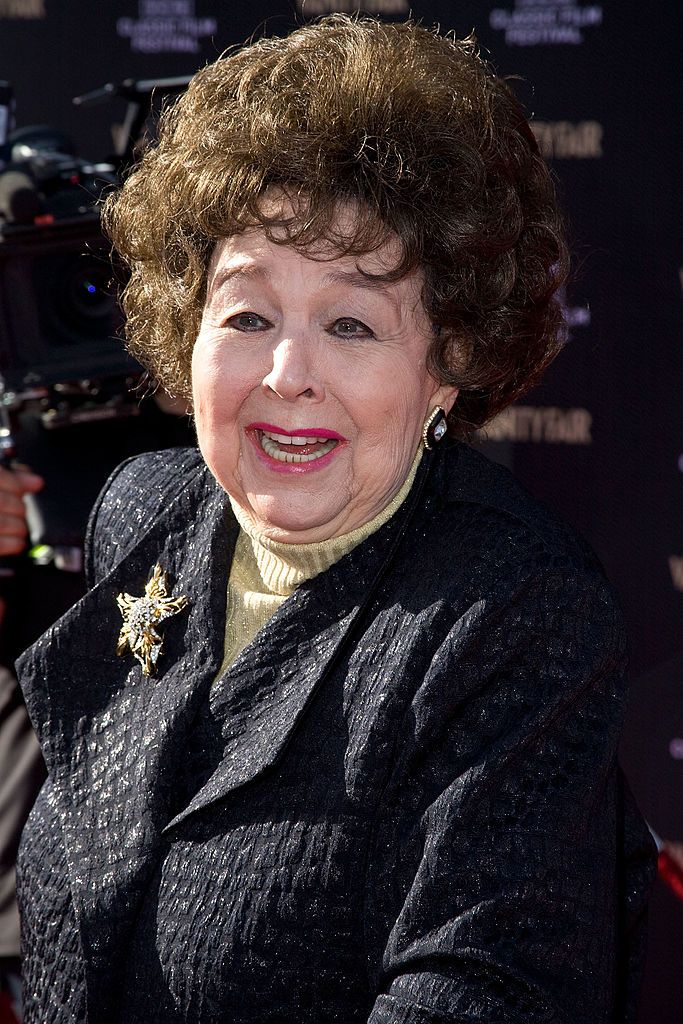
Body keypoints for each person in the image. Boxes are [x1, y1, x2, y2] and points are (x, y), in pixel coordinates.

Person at [15, 15, 654, 1024]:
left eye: (350, 322)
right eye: (247, 313)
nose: (285, 376)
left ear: (445, 364)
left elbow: (479, 994)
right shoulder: (145, 509)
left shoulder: (515, 618)